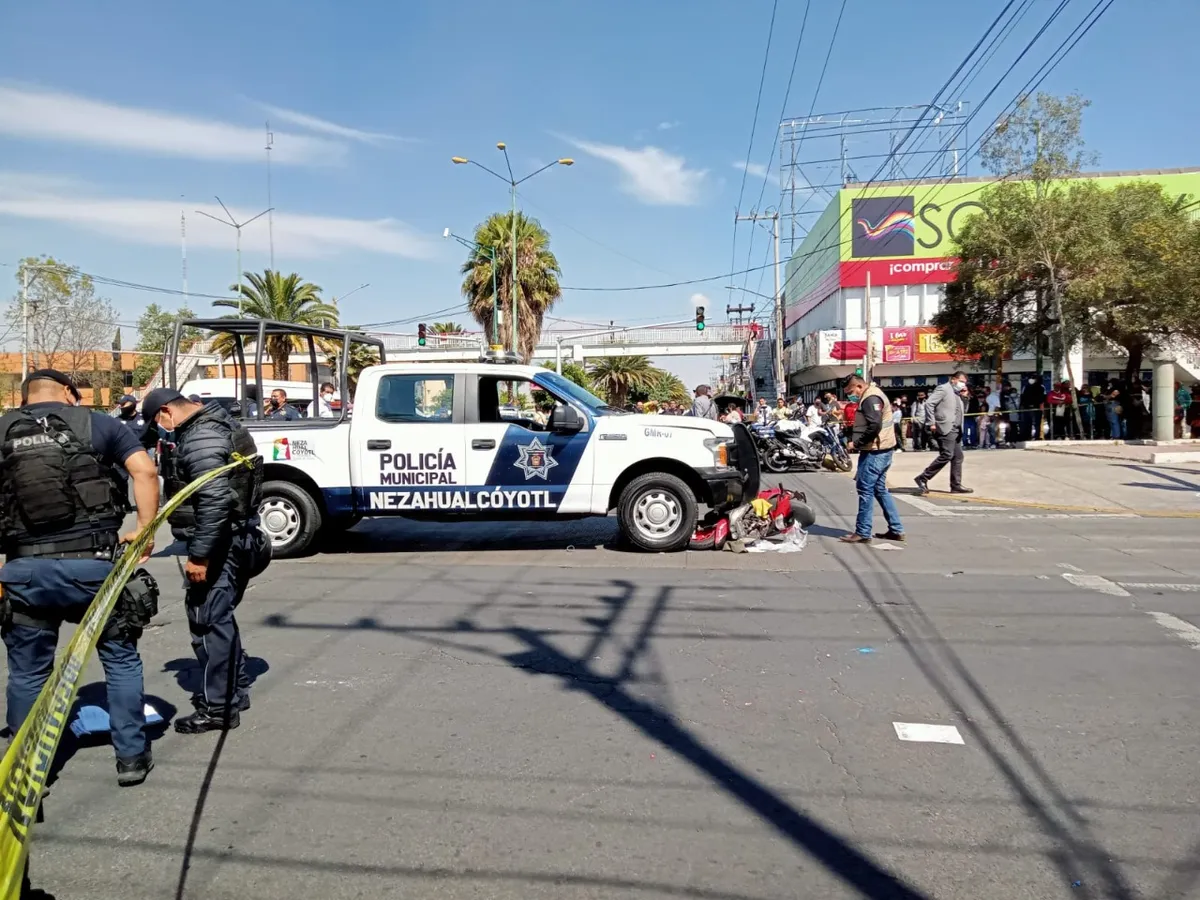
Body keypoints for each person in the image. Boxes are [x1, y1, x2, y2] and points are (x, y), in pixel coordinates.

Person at [0, 370, 160, 785]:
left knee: (28, 673)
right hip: (95, 568)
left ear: (24, 399)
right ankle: (131, 757)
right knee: (119, 658)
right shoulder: (99, 424)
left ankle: (26, 770)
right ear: (70, 393)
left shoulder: (3, 430)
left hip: (25, 572)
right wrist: (145, 530)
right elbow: (145, 472)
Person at [141, 389, 265, 733]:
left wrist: (200, 556)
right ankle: (234, 690)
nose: (160, 429)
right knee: (219, 619)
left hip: (221, 544)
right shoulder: (218, 423)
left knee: (207, 622)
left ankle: (219, 709)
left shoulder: (200, 437)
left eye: (157, 421)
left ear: (166, 411)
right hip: (237, 537)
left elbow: (214, 500)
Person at [839, 375, 903, 545]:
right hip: (882, 449)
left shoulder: (870, 398)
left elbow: (875, 425)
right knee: (879, 489)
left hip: (876, 451)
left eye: (851, 392)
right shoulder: (872, 395)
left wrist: (856, 443)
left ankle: (863, 532)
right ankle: (896, 529)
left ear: (859, 386)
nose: (850, 396)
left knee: (865, 489)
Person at [915, 372, 973, 495]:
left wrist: (965, 397)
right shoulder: (943, 389)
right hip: (946, 427)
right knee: (947, 454)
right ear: (953, 379)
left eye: (964, 382)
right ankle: (923, 477)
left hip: (957, 428)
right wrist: (931, 422)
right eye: (961, 381)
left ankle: (956, 485)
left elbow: (964, 410)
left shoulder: (958, 393)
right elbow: (929, 403)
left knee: (958, 457)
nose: (963, 384)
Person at [1020, 376, 1046, 441]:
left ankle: (1037, 436)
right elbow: (1022, 397)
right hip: (1027, 408)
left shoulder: (1041, 387)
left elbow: (1043, 398)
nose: (1031, 380)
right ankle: (1027, 436)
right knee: (1027, 423)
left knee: (1037, 423)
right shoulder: (1026, 387)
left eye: (1034, 378)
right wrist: (1023, 406)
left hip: (1037, 408)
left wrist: (1041, 407)